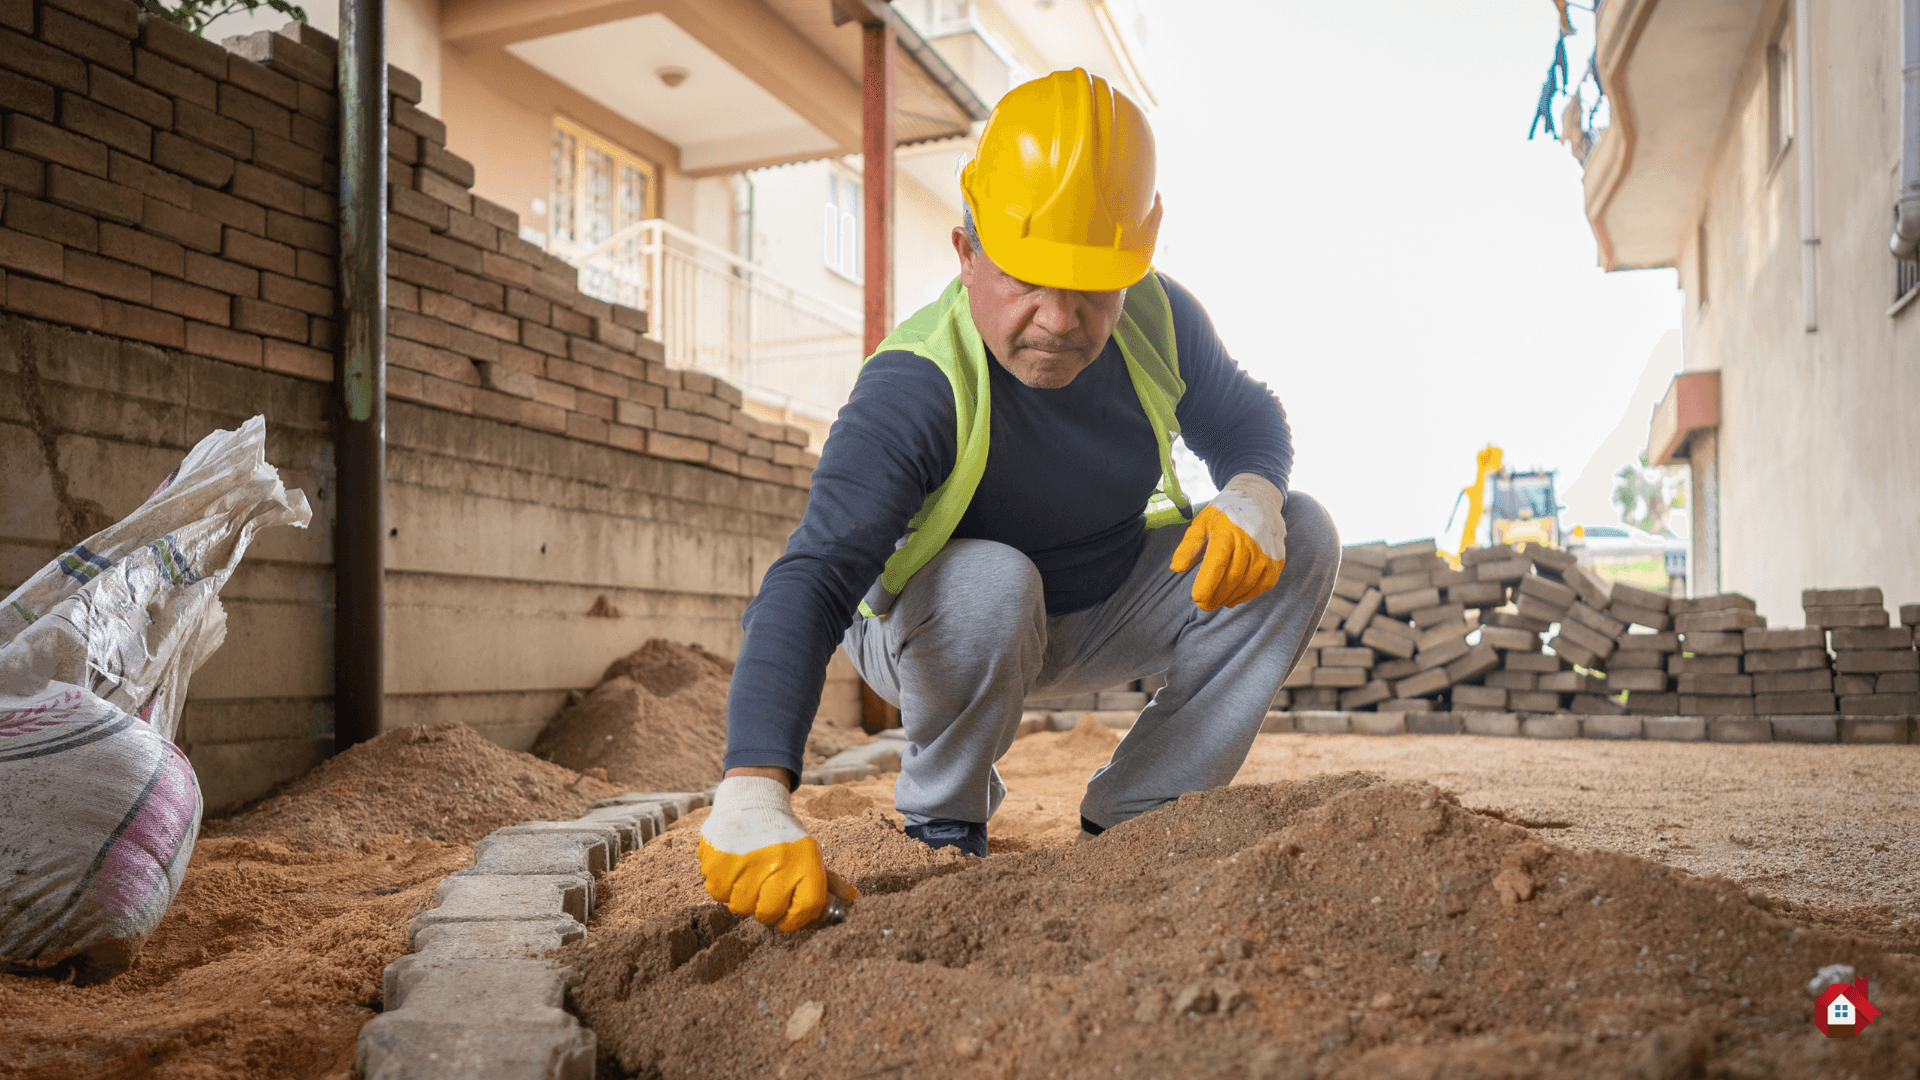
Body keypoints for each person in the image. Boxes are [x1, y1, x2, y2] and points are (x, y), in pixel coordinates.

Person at [697, 69, 1338, 932]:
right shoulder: (915, 387)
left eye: (1091, 285)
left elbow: (1247, 417)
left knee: (1302, 532)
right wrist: (749, 792)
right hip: (934, 629)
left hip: (1100, 600)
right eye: (1028, 278)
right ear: (966, 252)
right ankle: (943, 818)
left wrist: (1254, 492)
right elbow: (811, 579)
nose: (1059, 319)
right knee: (991, 581)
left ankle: (1141, 814)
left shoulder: (1158, 316)